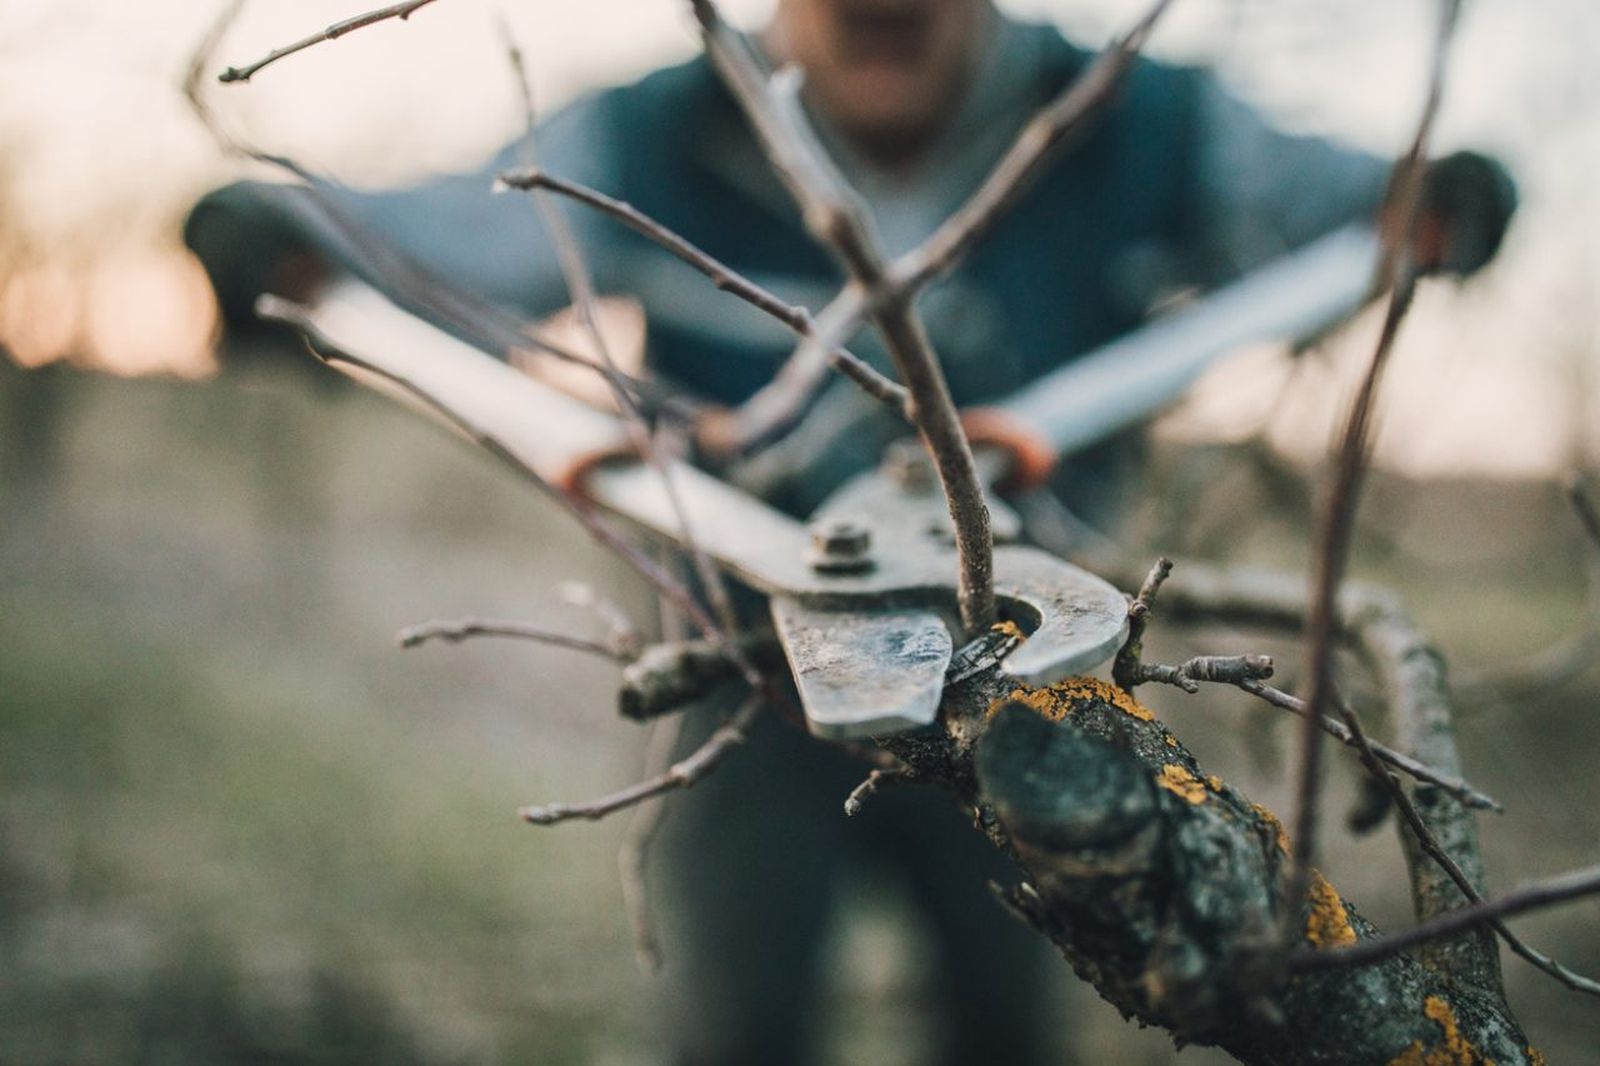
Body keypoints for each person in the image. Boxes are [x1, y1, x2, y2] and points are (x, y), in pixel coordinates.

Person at [185, 2, 1516, 1062]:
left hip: (1035, 684)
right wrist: (291, 242)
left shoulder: (1138, 117)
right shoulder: (647, 134)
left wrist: (1428, 202)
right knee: (737, 1027)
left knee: (1008, 1024)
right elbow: (434, 239)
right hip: (744, 678)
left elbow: (1358, 206)